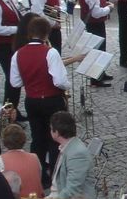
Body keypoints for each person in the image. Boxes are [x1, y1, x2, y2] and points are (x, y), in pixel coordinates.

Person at [11, 16, 79, 187]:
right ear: (46, 34)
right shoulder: (50, 52)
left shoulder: (18, 54)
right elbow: (59, 81)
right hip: (52, 100)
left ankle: (40, 176)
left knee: (37, 139)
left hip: (32, 101)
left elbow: (15, 82)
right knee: (55, 140)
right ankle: (56, 176)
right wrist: (68, 85)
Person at [76, 0, 114, 87]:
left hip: (92, 23)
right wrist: (109, 8)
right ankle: (96, 78)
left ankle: (100, 73)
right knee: (97, 50)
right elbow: (96, 13)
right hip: (95, 23)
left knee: (99, 49)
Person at [46, 112, 94, 199]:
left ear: (57, 133)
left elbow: (72, 190)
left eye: (51, 129)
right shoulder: (68, 147)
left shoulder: (77, 153)